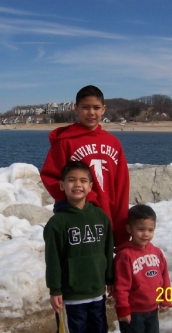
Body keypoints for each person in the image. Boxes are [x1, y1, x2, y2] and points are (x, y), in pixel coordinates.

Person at [40, 85, 130, 247]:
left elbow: (122, 185)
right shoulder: (65, 142)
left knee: (105, 266)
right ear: (76, 108)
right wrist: (79, 202)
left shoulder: (113, 143)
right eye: (85, 107)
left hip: (109, 216)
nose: (91, 113)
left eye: (96, 108)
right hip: (78, 216)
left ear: (103, 109)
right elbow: (50, 177)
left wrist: (122, 228)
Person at [43, 161, 114, 333]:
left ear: (90, 186)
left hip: (97, 293)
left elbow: (107, 250)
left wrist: (110, 278)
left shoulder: (100, 216)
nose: (77, 184)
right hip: (70, 297)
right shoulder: (57, 223)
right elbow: (53, 260)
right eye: (72, 180)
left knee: (98, 332)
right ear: (62, 185)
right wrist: (55, 289)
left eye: (83, 181)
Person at [113, 204, 172, 333]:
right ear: (129, 229)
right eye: (141, 229)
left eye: (150, 230)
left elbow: (164, 278)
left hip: (152, 310)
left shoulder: (156, 252)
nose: (146, 234)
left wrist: (165, 298)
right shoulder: (125, 255)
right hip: (133, 313)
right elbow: (121, 286)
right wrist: (123, 309)